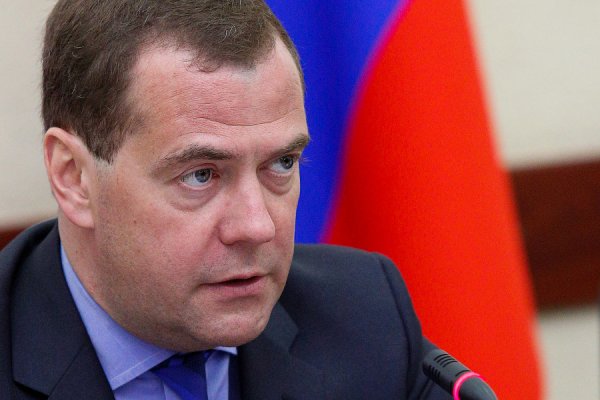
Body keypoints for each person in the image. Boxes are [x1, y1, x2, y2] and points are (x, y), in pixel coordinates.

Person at [0, 1, 452, 399]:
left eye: (281, 164)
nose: (258, 226)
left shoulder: (362, 318)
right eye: (201, 175)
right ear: (74, 177)